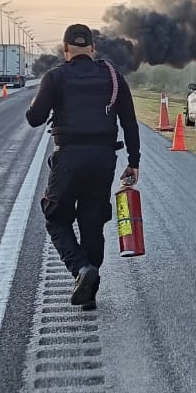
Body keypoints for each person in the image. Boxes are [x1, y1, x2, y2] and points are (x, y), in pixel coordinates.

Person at [25, 23, 141, 310]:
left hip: (68, 159)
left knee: (55, 217)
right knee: (92, 221)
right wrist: (134, 162)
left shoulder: (55, 77)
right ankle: (90, 289)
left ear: (65, 50)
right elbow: (129, 122)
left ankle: (80, 269)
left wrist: (37, 101)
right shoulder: (114, 77)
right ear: (92, 48)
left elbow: (34, 118)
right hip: (103, 160)